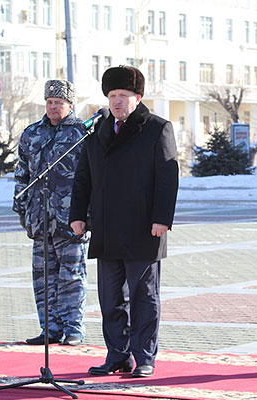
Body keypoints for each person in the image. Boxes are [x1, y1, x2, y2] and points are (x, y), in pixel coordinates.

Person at [70, 65, 179, 378]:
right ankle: (117, 355)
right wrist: (77, 215)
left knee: (144, 296)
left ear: (138, 97)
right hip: (106, 228)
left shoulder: (157, 128)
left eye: (123, 95)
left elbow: (168, 177)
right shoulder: (98, 132)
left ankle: (144, 356)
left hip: (144, 228)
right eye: (112, 96)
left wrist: (162, 219)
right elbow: (83, 179)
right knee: (111, 298)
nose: (117, 102)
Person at [13, 79, 89, 347]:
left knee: (71, 275)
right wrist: (21, 207)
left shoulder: (82, 134)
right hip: (39, 218)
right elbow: (22, 174)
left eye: (59, 103)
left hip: (71, 218)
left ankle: (73, 327)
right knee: (43, 277)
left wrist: (87, 214)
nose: (54, 107)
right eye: (49, 102)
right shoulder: (32, 134)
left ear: (70, 105)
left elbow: (90, 177)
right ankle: (49, 328)